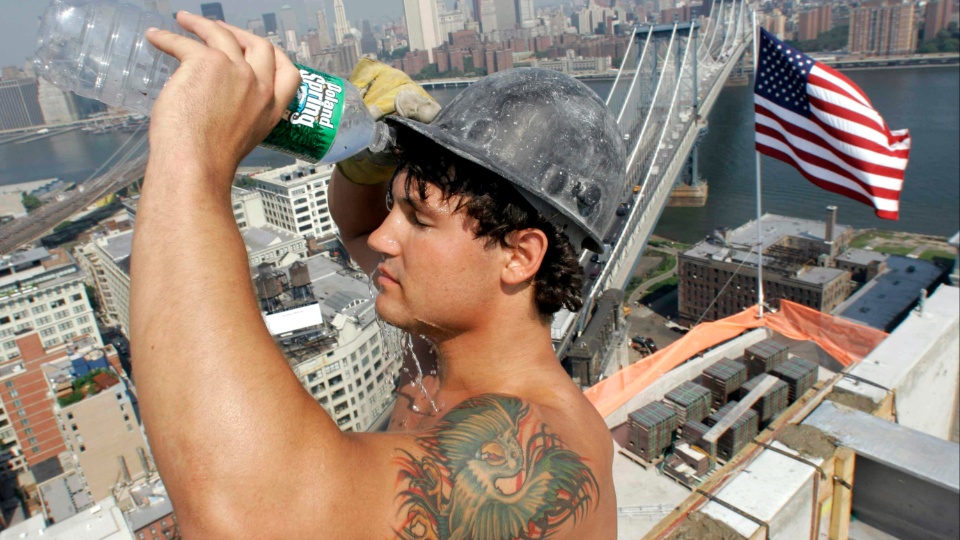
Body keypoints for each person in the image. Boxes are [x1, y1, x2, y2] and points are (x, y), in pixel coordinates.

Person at [130, 12, 626, 539]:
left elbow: (250, 518)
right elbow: (359, 225)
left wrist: (192, 154)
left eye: (419, 220)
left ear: (520, 256)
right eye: (394, 206)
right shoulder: (449, 338)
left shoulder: (542, 450)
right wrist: (369, 157)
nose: (382, 239)